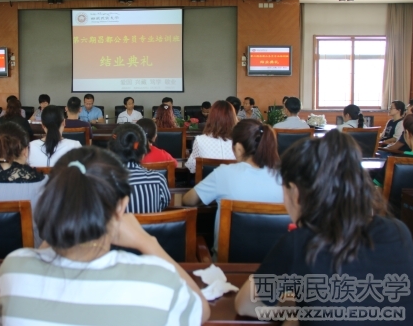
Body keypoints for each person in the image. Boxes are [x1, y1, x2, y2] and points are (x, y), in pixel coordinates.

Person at [0, 146, 210, 325]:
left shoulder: (14, 269)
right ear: (122, 207)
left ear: (55, 197)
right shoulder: (157, 280)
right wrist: (148, 242)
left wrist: (61, 218)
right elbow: (201, 310)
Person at [234, 130, 413, 320]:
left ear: (296, 193)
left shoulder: (301, 243)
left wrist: (300, 313)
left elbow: (245, 304)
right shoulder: (398, 231)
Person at [183, 119, 282, 255]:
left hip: (225, 266)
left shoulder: (224, 173)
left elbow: (188, 200)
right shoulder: (285, 179)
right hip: (274, 264)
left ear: (239, 148)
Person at [108, 123, 170, 213]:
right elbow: (164, 204)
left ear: (111, 151)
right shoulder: (158, 179)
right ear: (143, 153)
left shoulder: (102, 183)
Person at [185, 100, 236, 173]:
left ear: (211, 117)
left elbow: (192, 168)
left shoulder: (200, 140)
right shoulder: (242, 141)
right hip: (234, 180)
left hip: (209, 180)